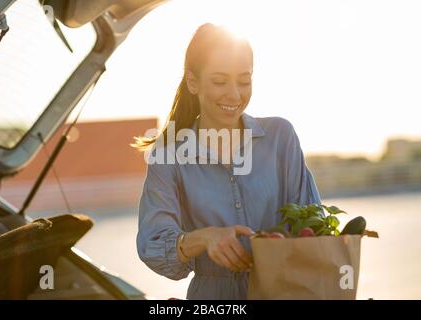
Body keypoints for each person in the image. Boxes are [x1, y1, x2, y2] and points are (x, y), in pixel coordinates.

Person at [133, 23, 321, 300]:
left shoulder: (281, 137)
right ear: (193, 81)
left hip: (285, 292)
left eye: (244, 81)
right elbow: (153, 244)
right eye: (220, 81)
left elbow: (313, 224)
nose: (234, 95)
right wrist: (204, 238)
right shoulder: (168, 156)